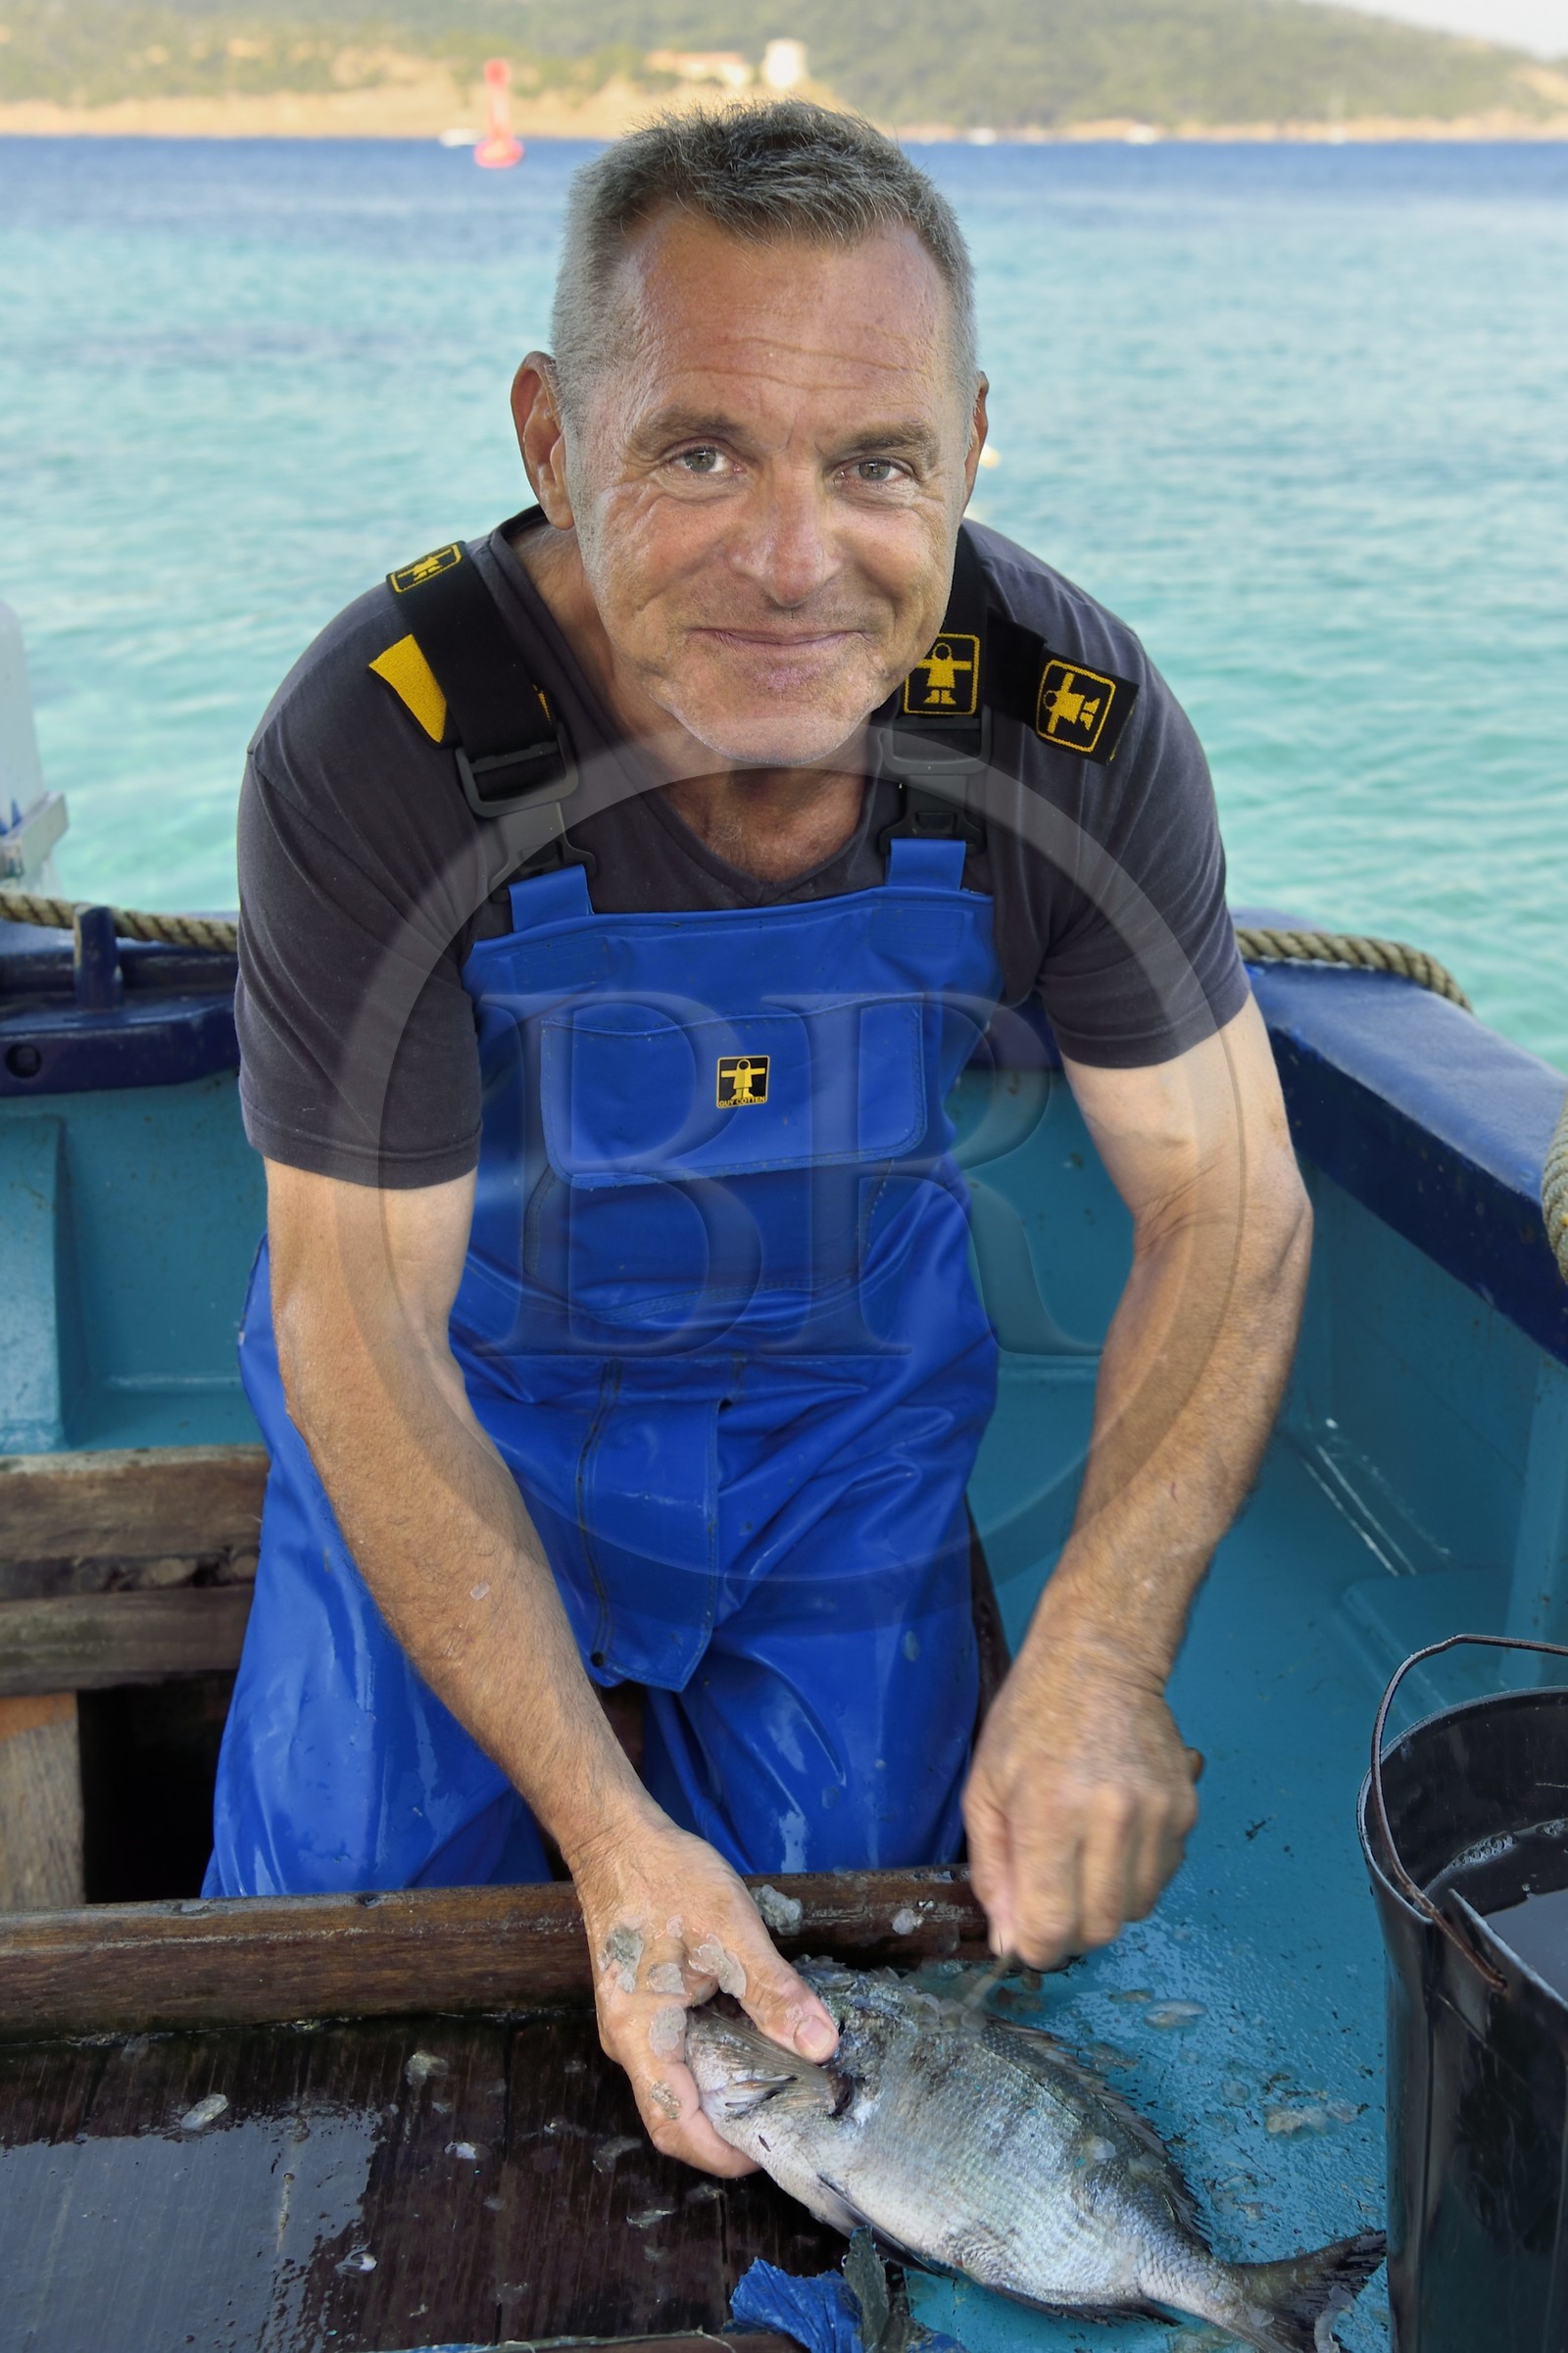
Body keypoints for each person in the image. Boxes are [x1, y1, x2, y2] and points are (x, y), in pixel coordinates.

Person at [211, 102, 1310, 2176]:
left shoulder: (1068, 715)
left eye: (873, 462)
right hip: (472, 1402)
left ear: (969, 446)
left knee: (875, 1973)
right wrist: (608, 1832)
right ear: (549, 435)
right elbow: (360, 1322)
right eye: (698, 450)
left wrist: (1093, 1648)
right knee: (316, 1988)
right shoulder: (382, 733)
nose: (795, 559)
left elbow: (1226, 1204)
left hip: (839, 1423)